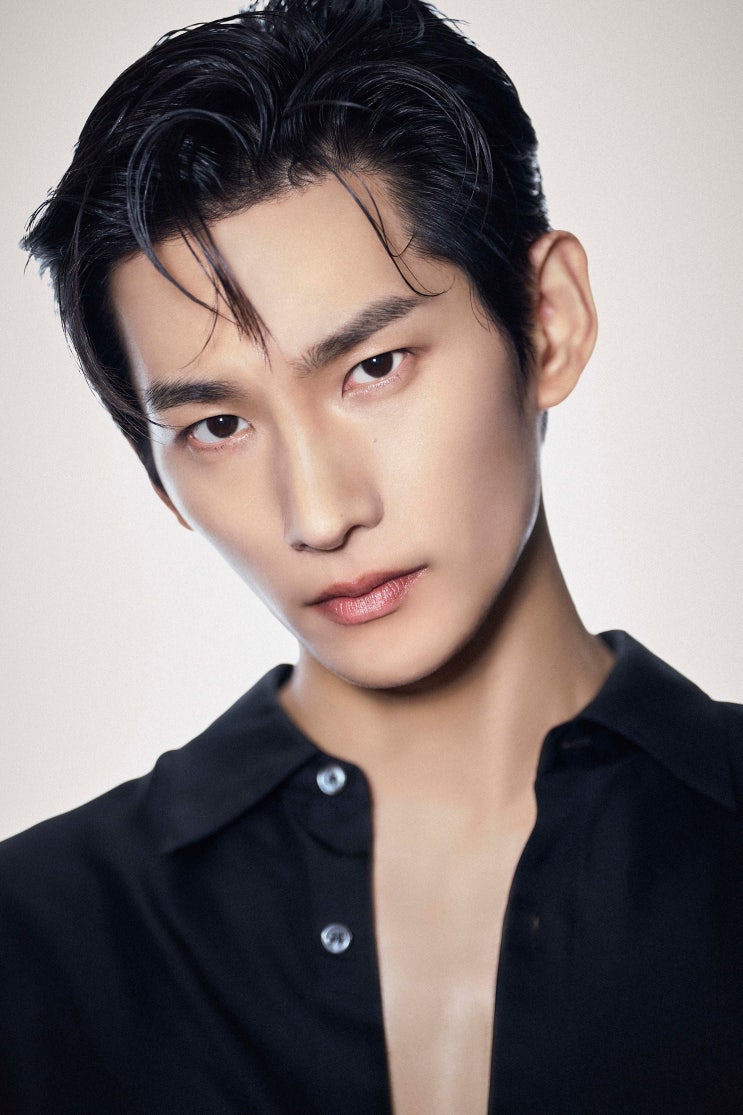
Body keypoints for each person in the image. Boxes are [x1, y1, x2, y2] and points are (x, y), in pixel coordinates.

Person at [1, 1, 741, 1112]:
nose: (318, 511)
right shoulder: (35, 938)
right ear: (157, 475)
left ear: (547, 320)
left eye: (374, 367)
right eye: (218, 425)